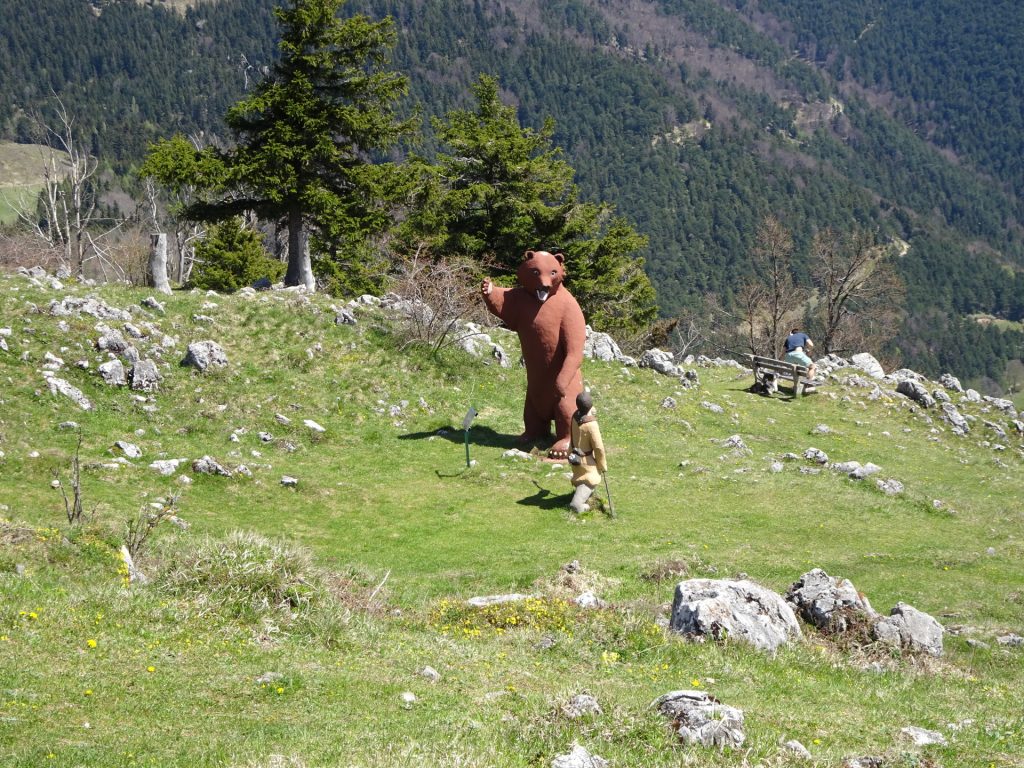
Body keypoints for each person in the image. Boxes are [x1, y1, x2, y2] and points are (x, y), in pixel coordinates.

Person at [568, 391, 607, 513]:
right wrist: (602, 465)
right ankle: (579, 504)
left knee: (582, 478)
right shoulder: (591, 425)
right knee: (590, 479)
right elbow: (599, 448)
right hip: (587, 463)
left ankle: (586, 495)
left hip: (575, 458)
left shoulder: (575, 417)